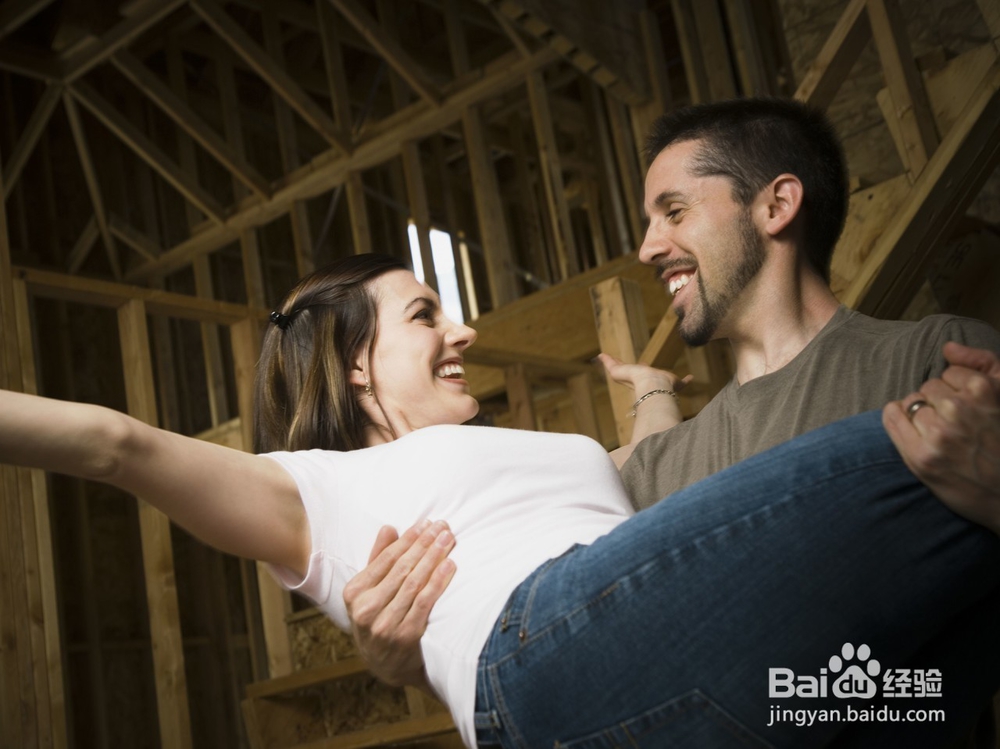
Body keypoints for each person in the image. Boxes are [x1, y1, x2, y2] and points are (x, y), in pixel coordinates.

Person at [2, 253, 999, 748]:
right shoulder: (316, 489)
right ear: (355, 365)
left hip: (656, 652)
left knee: (948, 628)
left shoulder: (530, 450)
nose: (464, 332)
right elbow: (116, 442)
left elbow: (656, 506)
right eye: (425, 314)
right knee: (934, 436)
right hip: (547, 655)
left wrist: (649, 388)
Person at [340, 98, 1000, 744]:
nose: (648, 247)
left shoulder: (934, 361)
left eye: (674, 212)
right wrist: (411, 656)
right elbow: (557, 652)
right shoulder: (654, 466)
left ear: (776, 205)